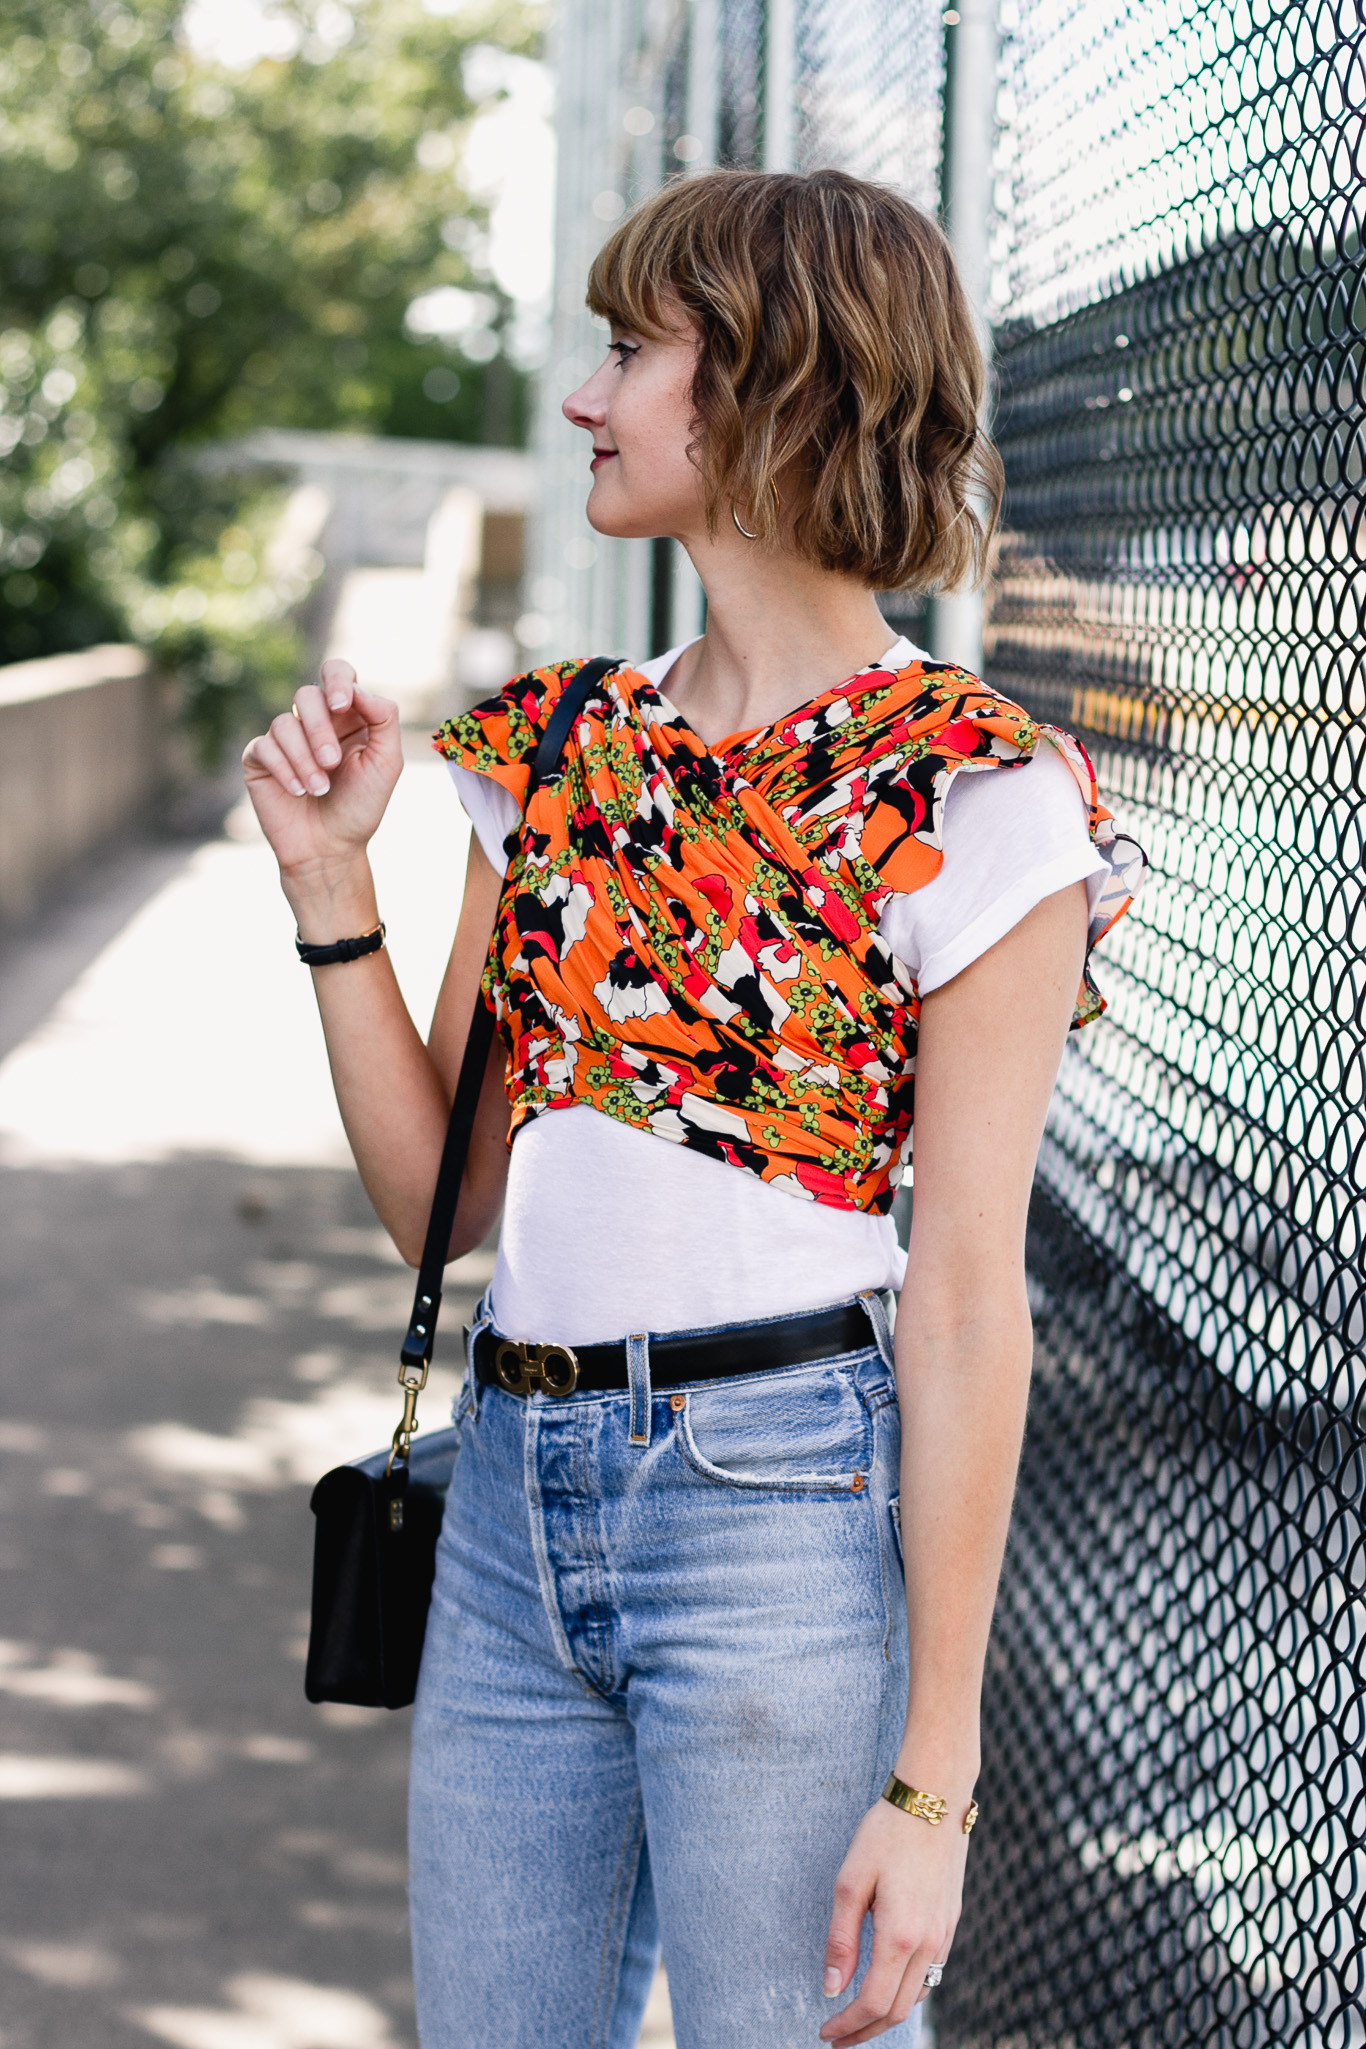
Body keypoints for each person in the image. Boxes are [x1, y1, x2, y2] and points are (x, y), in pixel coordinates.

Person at [243, 169, 1143, 2049]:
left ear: (768, 387)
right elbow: (439, 1218)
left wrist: (933, 1780)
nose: (586, 399)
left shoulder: (975, 792)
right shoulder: (554, 751)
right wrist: (336, 891)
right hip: (505, 1502)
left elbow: (973, 1299)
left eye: (631, 351)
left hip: (776, 1504)